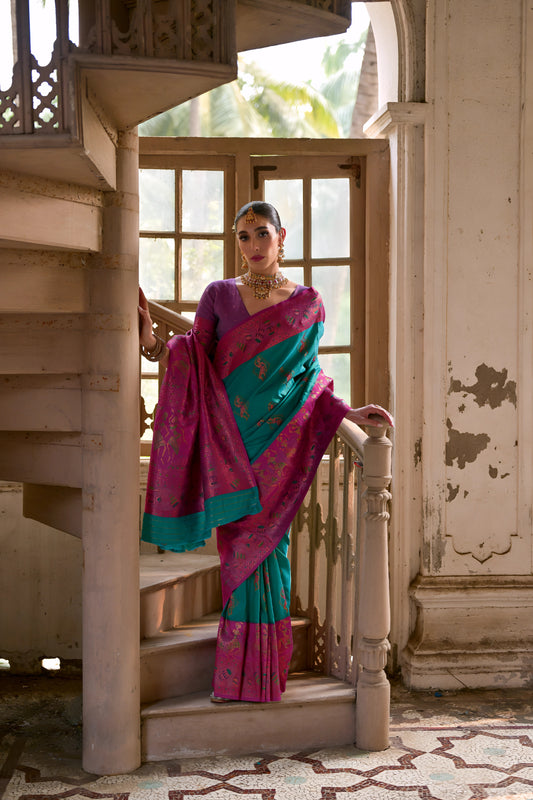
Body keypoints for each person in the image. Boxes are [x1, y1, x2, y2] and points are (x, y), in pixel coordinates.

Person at [138, 200, 393, 704]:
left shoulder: (307, 304)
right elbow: (191, 356)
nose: (253, 245)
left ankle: (264, 674)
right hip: (229, 448)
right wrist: (150, 341)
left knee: (269, 551)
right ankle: (237, 675)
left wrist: (349, 414)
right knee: (239, 554)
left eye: (261, 234)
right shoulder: (218, 295)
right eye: (243, 236)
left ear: (282, 237)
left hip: (278, 447)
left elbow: (308, 382)